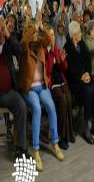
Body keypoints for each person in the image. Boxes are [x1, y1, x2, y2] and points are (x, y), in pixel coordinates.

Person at [19, 20, 64, 172]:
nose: (35, 35)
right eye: (32, 32)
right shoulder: (25, 48)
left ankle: (55, 143)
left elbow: (48, 39)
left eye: (35, 32)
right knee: (37, 109)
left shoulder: (41, 46)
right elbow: (24, 40)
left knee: (51, 107)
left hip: (42, 86)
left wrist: (41, 28)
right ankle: (36, 150)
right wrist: (32, 29)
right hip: (29, 89)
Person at [65, 21, 94, 145]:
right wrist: (81, 76)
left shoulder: (82, 44)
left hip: (85, 77)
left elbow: (88, 62)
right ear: (74, 34)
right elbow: (69, 69)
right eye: (79, 32)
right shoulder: (67, 47)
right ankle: (86, 128)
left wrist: (87, 74)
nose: (81, 34)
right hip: (75, 81)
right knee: (87, 90)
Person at [0, 16, 28, 160]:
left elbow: (20, 50)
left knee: (21, 106)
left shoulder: (9, 45)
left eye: (2, 29)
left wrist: (7, 34)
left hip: (7, 93)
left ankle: (20, 148)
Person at [45, 26, 75, 150]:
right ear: (46, 38)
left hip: (62, 81)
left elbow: (64, 68)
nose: (52, 38)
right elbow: (48, 70)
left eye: (53, 35)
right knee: (63, 100)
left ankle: (69, 133)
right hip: (52, 84)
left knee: (68, 98)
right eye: (50, 35)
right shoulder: (45, 52)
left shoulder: (57, 50)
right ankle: (62, 137)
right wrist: (52, 53)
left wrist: (62, 61)